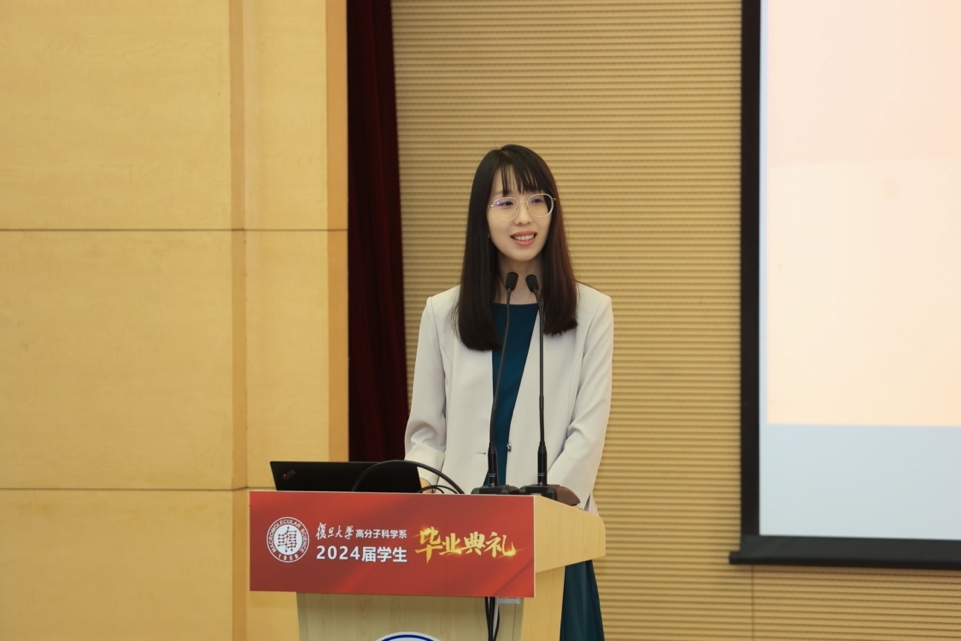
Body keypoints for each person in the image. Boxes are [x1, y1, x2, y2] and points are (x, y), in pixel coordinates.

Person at [404, 143, 613, 640]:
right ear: (482, 217)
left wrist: (535, 517)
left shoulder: (590, 312)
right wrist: (432, 499)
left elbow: (586, 437)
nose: (524, 217)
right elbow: (426, 436)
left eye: (538, 200)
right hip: (459, 542)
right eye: (506, 202)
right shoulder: (443, 313)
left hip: (552, 540)